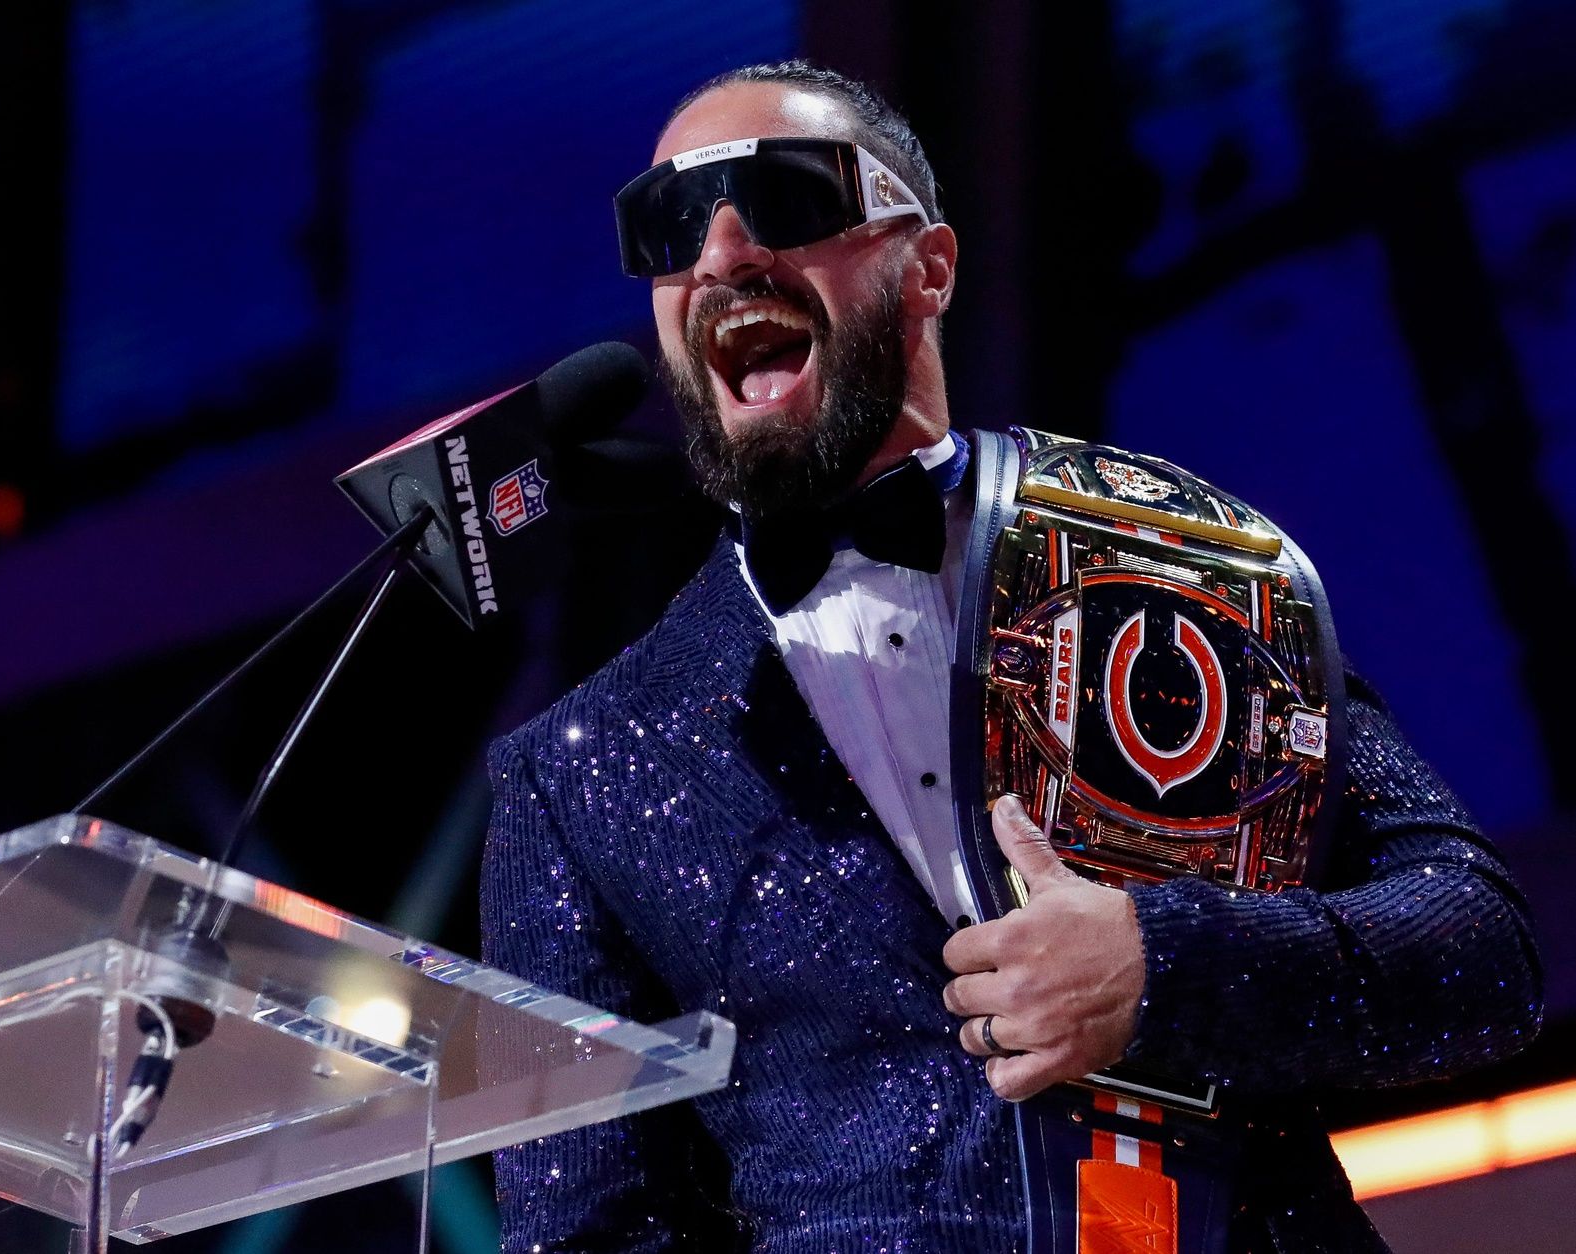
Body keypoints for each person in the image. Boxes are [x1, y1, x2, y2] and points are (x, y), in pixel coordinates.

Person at [481, 60, 1542, 1252]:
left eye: (785, 197)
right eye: (670, 227)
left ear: (925, 266)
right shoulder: (581, 765)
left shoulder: (1176, 568)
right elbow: (585, 1230)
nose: (723, 256)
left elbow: (1481, 954)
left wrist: (1165, 965)